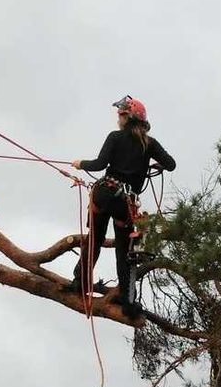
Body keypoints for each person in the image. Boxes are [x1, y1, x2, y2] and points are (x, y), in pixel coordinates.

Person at [66, 95, 176, 316]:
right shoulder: (150, 143)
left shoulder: (115, 137)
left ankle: (80, 282)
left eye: (120, 115)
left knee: (95, 239)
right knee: (124, 252)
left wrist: (80, 164)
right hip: (125, 202)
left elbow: (99, 165)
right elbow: (171, 164)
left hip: (104, 193)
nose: (118, 119)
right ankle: (127, 302)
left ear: (128, 117)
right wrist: (157, 164)